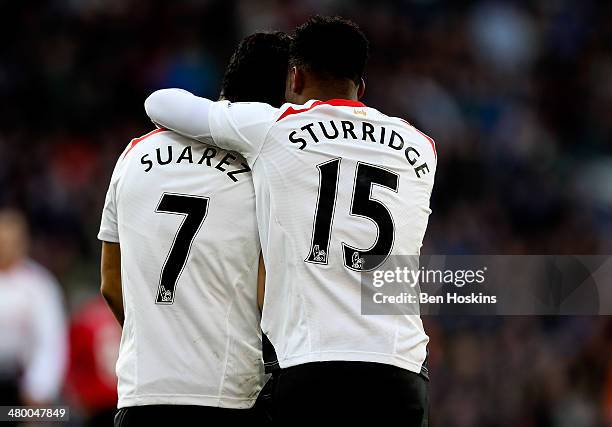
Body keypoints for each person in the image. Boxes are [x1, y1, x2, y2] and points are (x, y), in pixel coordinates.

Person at [144, 16, 436, 425]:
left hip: (312, 366)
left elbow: (160, 103)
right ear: (362, 86)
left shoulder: (273, 129)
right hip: (398, 369)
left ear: (294, 78)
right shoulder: (421, 147)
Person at [99, 31, 290, 426]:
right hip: (228, 397)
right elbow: (266, 291)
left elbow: (110, 283)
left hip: (141, 396)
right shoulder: (265, 169)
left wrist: (161, 339)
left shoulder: (134, 154)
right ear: (289, 87)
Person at [0, 209, 67, 412]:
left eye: (9, 241)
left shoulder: (39, 286)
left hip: (21, 384)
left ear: (22, 242)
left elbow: (50, 341)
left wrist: (40, 388)